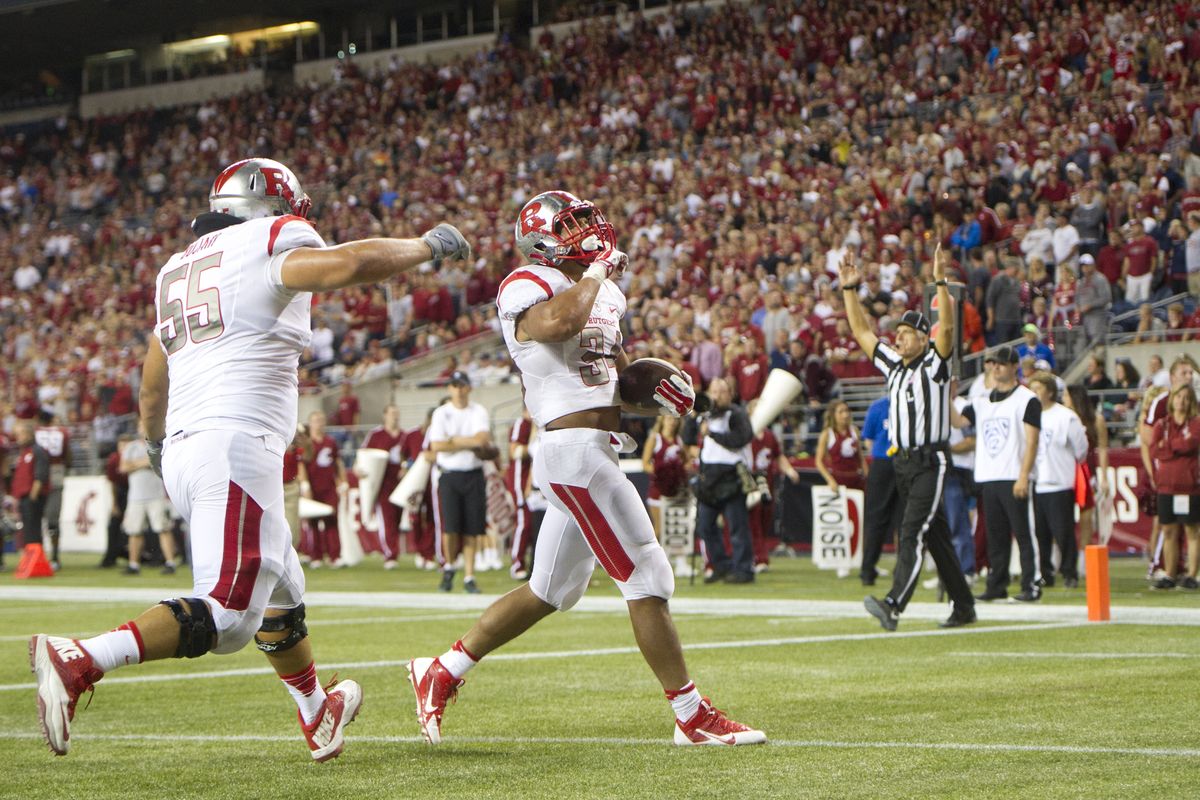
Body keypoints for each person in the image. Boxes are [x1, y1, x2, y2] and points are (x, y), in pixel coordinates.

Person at [30, 156, 471, 760]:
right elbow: (342, 265)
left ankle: (318, 712)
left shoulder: (175, 269)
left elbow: (153, 381)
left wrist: (159, 448)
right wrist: (426, 246)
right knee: (232, 614)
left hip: (188, 445)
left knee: (284, 589)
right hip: (236, 440)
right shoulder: (271, 237)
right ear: (275, 207)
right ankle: (83, 658)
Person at [406, 190, 763, 747]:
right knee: (647, 576)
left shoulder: (606, 291)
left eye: (587, 221)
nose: (588, 230)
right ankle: (691, 717)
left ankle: (441, 670)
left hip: (597, 445)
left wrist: (663, 390)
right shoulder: (526, 284)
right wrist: (595, 270)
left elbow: (616, 380)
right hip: (571, 451)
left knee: (549, 590)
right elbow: (560, 323)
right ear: (541, 242)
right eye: (573, 225)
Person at [839, 246, 976, 630]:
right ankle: (964, 606)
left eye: (905, 334)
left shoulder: (934, 363)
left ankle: (894, 604)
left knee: (911, 532)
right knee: (936, 539)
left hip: (930, 460)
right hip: (901, 463)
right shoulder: (893, 368)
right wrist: (850, 291)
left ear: (922, 337)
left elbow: (946, 329)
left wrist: (940, 284)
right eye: (896, 334)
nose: (897, 340)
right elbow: (862, 331)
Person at [953, 345, 1042, 602]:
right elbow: (959, 422)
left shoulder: (1026, 399)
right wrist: (945, 397)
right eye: (992, 364)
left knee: (1023, 533)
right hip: (989, 475)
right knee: (995, 536)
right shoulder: (981, 401)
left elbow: (1032, 441)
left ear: (1014, 366)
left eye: (1001, 363)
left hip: (1014, 474)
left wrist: (1024, 475)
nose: (996, 367)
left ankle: (1030, 584)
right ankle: (996, 584)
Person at [683, 376, 756, 584]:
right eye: (713, 391)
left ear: (729, 394)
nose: (716, 396)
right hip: (709, 478)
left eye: (721, 392)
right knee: (705, 526)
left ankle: (744, 569)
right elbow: (687, 439)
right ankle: (721, 565)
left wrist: (713, 434)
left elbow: (741, 438)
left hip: (731, 476)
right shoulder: (704, 417)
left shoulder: (736, 414)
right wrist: (693, 415)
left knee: (737, 526)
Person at [427, 370, 494, 593]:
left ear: (468, 388)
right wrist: (469, 443)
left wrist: (454, 440)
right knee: (451, 528)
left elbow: (482, 440)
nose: (458, 390)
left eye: (461, 385)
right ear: (450, 388)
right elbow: (436, 446)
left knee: (472, 529)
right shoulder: (441, 413)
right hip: (450, 474)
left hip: (472, 473)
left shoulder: (478, 411)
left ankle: (468, 575)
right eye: (454, 386)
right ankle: (449, 565)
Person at [1139, 354, 1198, 587]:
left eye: (1191, 372)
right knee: (1167, 529)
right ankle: (1168, 572)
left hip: (1190, 481)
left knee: (1192, 529)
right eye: (1185, 372)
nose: (1189, 376)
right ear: (1172, 377)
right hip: (1166, 481)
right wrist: (1155, 469)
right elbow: (1152, 444)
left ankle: (1192, 574)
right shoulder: (1161, 409)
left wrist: (1169, 447)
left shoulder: (1194, 419)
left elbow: (1190, 443)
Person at [1029, 374, 1088, 589]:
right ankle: (1046, 572)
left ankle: (1069, 571)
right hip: (1038, 481)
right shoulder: (1030, 416)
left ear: (1051, 392)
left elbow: (1081, 449)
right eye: (1032, 388)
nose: (1034, 392)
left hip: (1060, 482)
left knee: (1063, 532)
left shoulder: (1066, 417)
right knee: (1040, 533)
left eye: (1038, 388)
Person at [119, 422, 179, 575]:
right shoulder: (132, 446)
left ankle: (170, 562)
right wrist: (144, 463)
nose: (142, 428)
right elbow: (123, 467)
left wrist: (135, 464)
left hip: (155, 495)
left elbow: (158, 463)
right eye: (140, 426)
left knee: (163, 528)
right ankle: (134, 564)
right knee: (134, 531)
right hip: (136, 496)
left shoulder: (160, 444)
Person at [858, 395, 900, 587]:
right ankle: (902, 569)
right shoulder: (913, 402)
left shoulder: (878, 406)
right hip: (904, 461)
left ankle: (867, 569)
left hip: (882, 462)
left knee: (876, 519)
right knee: (904, 520)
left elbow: (869, 441)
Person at [302, 410, 347, 569]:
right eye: (315, 420)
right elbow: (302, 465)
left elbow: (338, 463)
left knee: (332, 521)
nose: (319, 423)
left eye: (321, 420)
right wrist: (305, 485)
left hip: (329, 487)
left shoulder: (330, 442)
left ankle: (334, 555)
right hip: (313, 488)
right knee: (313, 523)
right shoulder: (307, 443)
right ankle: (316, 555)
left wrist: (342, 481)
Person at [363, 404, 406, 569]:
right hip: (383, 483)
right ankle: (390, 554)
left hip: (401, 483)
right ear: (385, 416)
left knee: (398, 520)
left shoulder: (404, 435)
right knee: (387, 519)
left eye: (397, 413)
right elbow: (365, 455)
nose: (395, 416)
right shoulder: (376, 435)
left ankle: (394, 551)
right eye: (392, 413)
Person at [34, 409, 71, 570]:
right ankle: (54, 557)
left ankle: (36, 555)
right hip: (56, 472)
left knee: (34, 519)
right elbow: (68, 458)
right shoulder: (62, 432)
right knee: (53, 521)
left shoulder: (34, 432)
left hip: (35, 475)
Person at [506, 407, 538, 580]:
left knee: (534, 524)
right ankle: (517, 563)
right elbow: (515, 452)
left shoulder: (538, 424)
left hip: (533, 481)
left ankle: (531, 564)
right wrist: (535, 446)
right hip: (521, 479)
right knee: (523, 522)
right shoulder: (523, 424)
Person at [10, 420, 49, 556]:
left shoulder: (37, 451)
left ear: (28, 434)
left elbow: (40, 474)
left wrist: (34, 494)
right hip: (23, 497)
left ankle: (36, 557)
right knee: (27, 529)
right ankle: (31, 557)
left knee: (33, 529)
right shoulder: (24, 453)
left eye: (20, 434)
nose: (18, 437)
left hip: (32, 496)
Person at [814, 400, 866, 491]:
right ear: (833, 414)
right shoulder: (827, 434)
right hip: (837, 480)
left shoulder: (854, 430)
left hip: (856, 479)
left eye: (847, 411)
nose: (845, 415)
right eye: (841, 412)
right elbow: (819, 461)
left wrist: (867, 476)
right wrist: (830, 480)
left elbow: (860, 457)